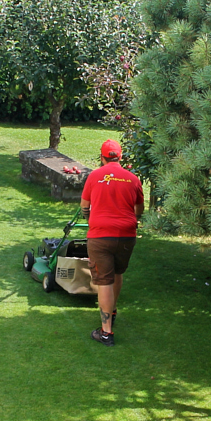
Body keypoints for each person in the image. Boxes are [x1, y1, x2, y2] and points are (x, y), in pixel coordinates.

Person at [80, 139, 144, 347]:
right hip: (126, 236)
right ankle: (112, 310)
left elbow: (84, 207)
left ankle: (106, 332)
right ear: (121, 157)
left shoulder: (94, 176)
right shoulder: (133, 179)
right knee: (117, 273)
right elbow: (139, 209)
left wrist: (91, 221)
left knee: (104, 281)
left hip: (100, 236)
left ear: (102, 157)